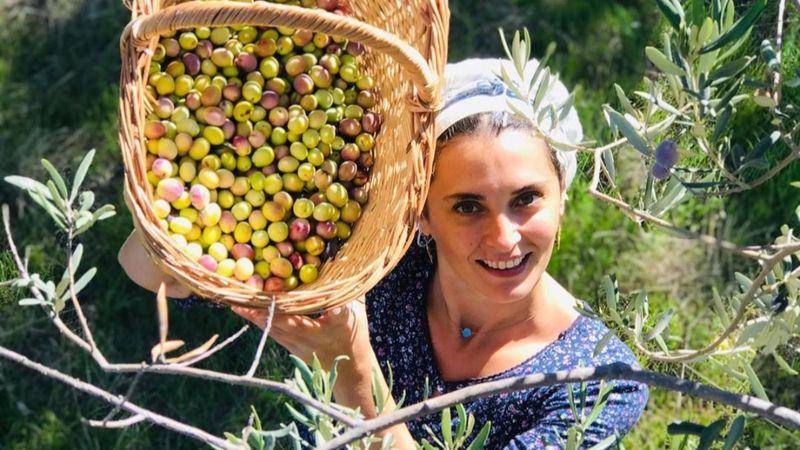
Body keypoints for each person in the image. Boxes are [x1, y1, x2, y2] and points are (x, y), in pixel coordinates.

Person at [120, 57, 648, 449]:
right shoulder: (380, 261)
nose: (504, 238)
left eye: (526, 199)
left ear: (562, 194)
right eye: (467, 207)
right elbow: (145, 270)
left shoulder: (598, 381)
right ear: (421, 214)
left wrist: (350, 370)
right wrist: (173, 190)